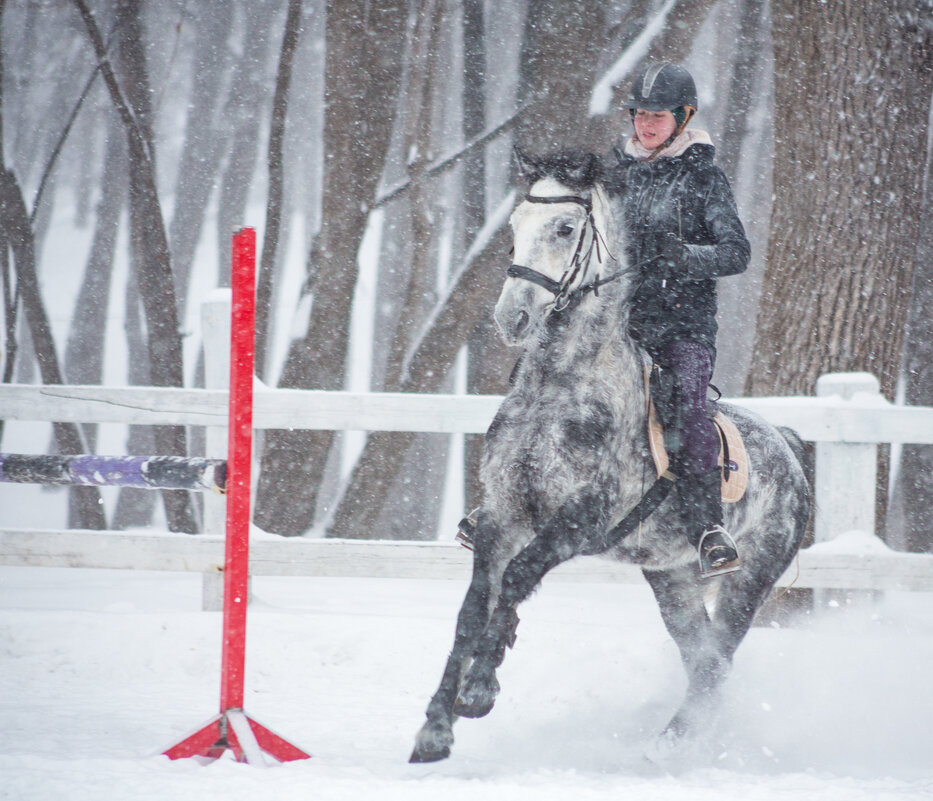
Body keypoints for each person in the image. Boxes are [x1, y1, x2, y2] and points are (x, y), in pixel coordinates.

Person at [606, 61, 750, 578]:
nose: (645, 125)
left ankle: (709, 528)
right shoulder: (614, 171)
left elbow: (736, 253)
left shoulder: (702, 176)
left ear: (683, 118)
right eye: (640, 114)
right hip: (616, 322)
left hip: (680, 325)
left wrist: (684, 256)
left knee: (688, 411)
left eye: (657, 117)